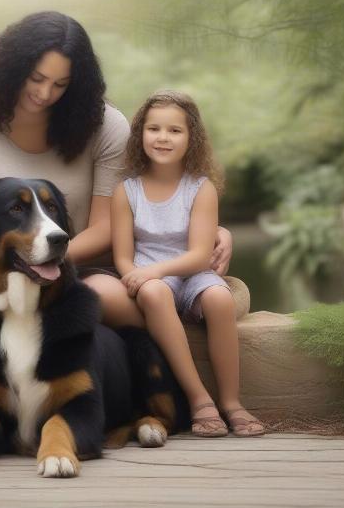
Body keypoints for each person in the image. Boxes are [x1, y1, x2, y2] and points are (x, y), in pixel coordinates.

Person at [0, 11, 234, 277]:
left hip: (92, 272)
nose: (45, 94)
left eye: (60, 84)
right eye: (36, 78)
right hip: (6, 273)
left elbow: (108, 226)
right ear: (12, 68)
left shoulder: (106, 126)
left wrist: (43, 260)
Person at [103, 90, 264, 437]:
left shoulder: (200, 188)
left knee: (220, 299)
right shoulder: (126, 191)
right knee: (155, 293)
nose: (163, 137)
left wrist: (156, 270)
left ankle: (232, 402)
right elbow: (122, 257)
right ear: (140, 134)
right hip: (149, 278)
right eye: (154, 128)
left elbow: (199, 254)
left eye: (175, 131)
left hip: (191, 273)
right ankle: (199, 399)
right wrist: (137, 275)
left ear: (192, 138)